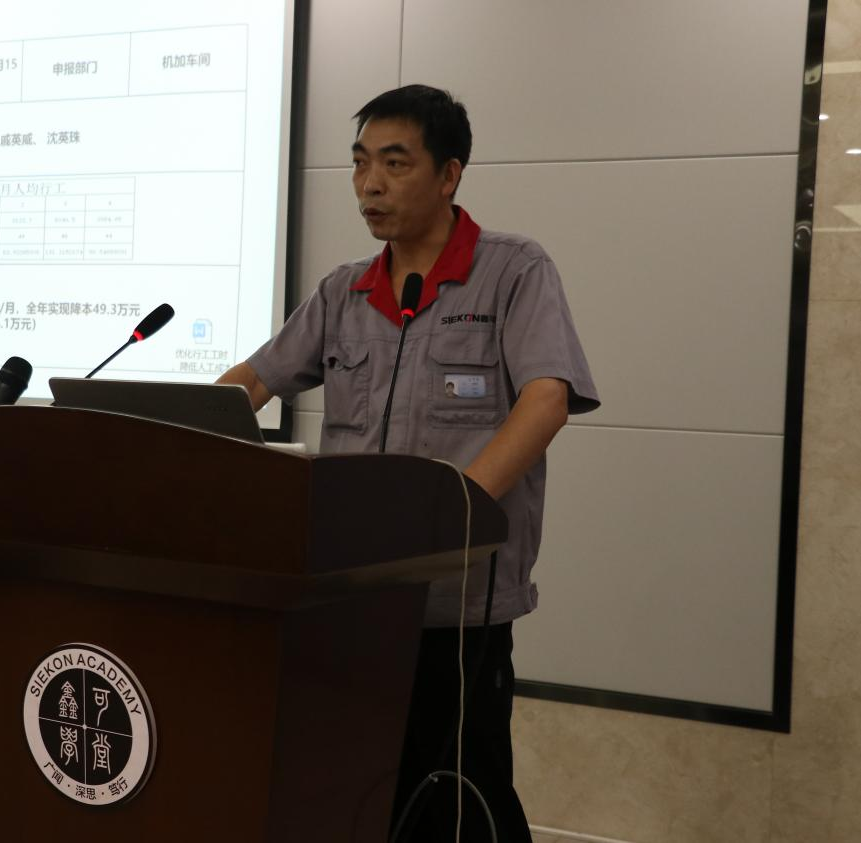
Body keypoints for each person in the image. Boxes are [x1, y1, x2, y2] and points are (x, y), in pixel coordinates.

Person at [216, 85, 600, 842]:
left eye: (394, 164)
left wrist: (448, 511)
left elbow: (547, 399)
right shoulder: (344, 291)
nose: (370, 184)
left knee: (463, 797)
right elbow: (253, 381)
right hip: (350, 596)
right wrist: (179, 432)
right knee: (357, 792)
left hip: (456, 604)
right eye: (360, 163)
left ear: (449, 174)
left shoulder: (513, 271)